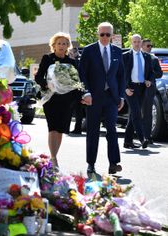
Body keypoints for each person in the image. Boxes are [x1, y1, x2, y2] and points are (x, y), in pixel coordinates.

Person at [79, 22, 126, 175]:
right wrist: (85, 92)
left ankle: (114, 163)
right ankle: (91, 164)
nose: (105, 37)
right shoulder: (88, 51)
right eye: (102, 34)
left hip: (111, 97)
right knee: (93, 131)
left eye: (108, 34)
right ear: (97, 34)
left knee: (112, 129)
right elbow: (82, 74)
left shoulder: (118, 52)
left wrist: (121, 96)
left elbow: (121, 76)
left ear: (112, 35)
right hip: (93, 97)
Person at [35, 32, 81, 168]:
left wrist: (81, 96)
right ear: (53, 45)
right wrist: (47, 84)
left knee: (61, 129)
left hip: (67, 100)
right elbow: (38, 77)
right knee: (53, 128)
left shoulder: (71, 62)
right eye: (59, 43)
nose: (61, 46)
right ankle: (53, 158)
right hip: (51, 99)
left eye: (64, 43)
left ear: (68, 46)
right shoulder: (47, 58)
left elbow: (76, 82)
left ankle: (55, 155)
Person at [123, 34, 153, 149]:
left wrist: (148, 80)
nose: (136, 43)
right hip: (130, 88)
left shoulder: (146, 56)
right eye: (134, 41)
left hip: (141, 88)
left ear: (141, 43)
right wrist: (125, 88)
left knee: (133, 115)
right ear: (131, 42)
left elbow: (150, 72)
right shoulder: (125, 56)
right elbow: (120, 75)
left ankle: (127, 141)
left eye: (138, 41)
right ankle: (142, 138)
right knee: (136, 113)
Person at [141, 39, 163, 144]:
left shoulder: (154, 59)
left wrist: (150, 77)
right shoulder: (136, 57)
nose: (150, 47)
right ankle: (133, 136)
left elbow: (159, 73)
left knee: (148, 113)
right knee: (135, 112)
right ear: (142, 46)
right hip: (137, 88)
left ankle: (147, 136)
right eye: (148, 45)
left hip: (149, 89)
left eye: (151, 45)